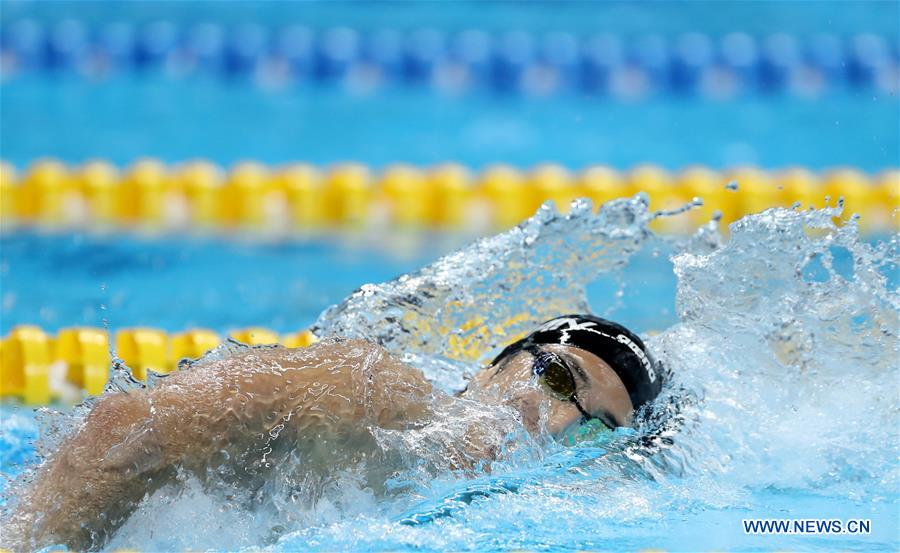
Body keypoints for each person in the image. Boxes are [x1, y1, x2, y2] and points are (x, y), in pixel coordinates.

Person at [5, 314, 663, 551]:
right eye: (555, 378)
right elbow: (131, 428)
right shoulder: (373, 395)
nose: (557, 421)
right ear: (494, 364)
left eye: (593, 431)